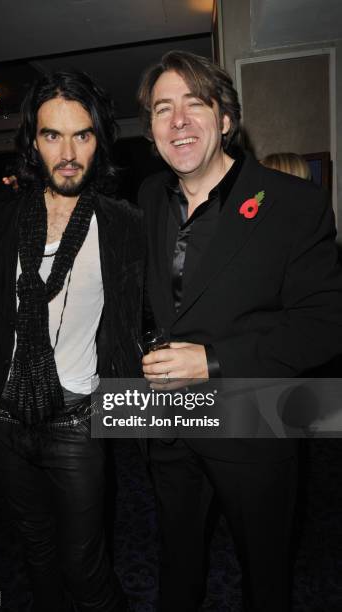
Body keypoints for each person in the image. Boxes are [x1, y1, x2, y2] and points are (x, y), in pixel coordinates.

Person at [137, 50, 342, 612]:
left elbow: (325, 325)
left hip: (253, 424)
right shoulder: (151, 198)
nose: (178, 120)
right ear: (151, 127)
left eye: (194, 104)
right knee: (175, 563)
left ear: (226, 119)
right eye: (162, 108)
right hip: (171, 427)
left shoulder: (294, 204)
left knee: (264, 573)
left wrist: (213, 361)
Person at [0, 70, 144, 612]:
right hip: (3, 416)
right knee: (35, 551)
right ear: (32, 143)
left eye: (81, 135)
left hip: (77, 422)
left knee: (85, 566)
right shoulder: (0, 209)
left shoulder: (122, 223)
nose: (67, 152)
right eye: (51, 135)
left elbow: (150, 309)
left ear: (99, 139)